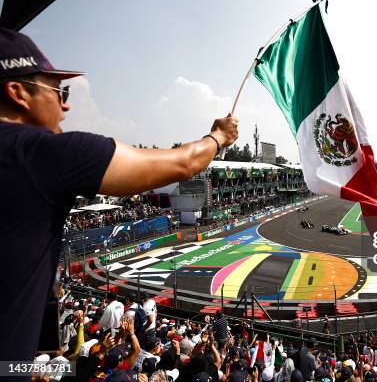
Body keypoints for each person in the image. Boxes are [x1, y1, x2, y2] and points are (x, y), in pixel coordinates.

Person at [0, 27, 239, 361]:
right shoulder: (47, 155)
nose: (66, 106)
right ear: (17, 92)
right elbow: (185, 163)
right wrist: (218, 136)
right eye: (59, 91)